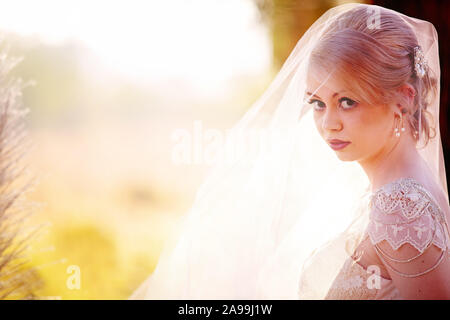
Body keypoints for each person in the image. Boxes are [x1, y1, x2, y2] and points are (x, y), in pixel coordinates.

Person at [130, 3, 450, 300]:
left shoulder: (403, 211)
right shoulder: (397, 188)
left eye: (347, 102)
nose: (328, 123)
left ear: (405, 99)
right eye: (317, 103)